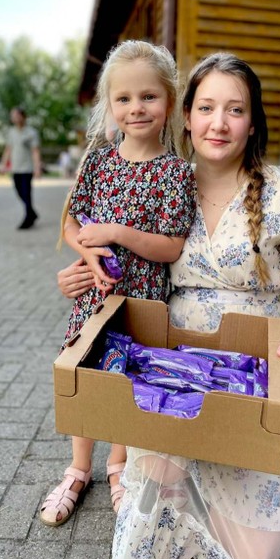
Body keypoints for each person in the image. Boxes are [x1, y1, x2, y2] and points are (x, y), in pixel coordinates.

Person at [56, 52, 280, 559]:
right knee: (145, 537)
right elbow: (111, 251)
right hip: (166, 370)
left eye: (235, 110)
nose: (219, 123)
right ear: (186, 116)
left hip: (249, 378)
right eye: (206, 108)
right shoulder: (164, 181)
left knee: (254, 553)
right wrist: (80, 274)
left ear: (253, 123)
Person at [39, 39, 197, 528]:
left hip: (143, 300)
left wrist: (115, 232)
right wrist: (87, 250)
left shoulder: (175, 172)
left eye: (148, 96)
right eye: (124, 98)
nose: (136, 108)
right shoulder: (98, 160)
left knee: (127, 382)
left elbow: (171, 246)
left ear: (169, 100)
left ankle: (118, 466)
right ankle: (77, 469)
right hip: (96, 296)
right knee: (86, 375)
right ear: (109, 104)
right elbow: (72, 223)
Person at [0, 107, 42, 229]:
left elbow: (35, 151)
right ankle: (32, 213)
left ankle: (28, 218)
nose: (15, 118)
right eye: (13, 116)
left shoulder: (31, 133)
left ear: (23, 117)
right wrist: (3, 164)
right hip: (15, 168)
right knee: (19, 192)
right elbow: (8, 149)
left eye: (17, 115)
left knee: (26, 193)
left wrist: (37, 167)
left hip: (27, 168)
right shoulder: (11, 132)